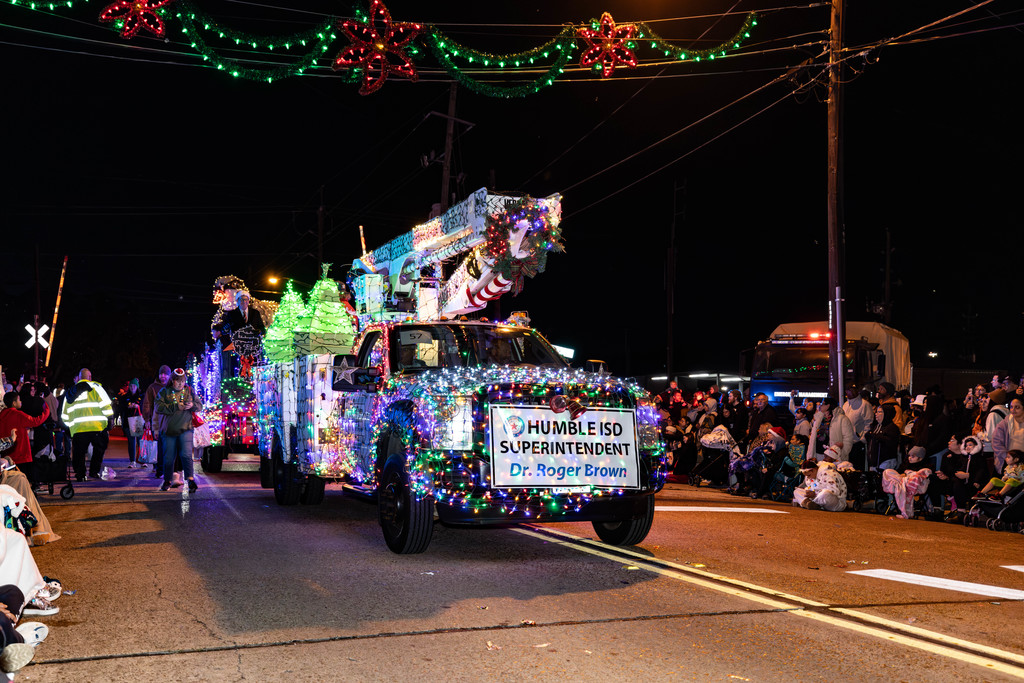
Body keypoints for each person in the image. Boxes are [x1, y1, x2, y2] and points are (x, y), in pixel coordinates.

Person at [60, 368, 114, 482]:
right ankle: (94, 471)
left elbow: (64, 413)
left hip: (78, 428)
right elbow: (106, 405)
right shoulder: (97, 388)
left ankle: (80, 474)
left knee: (79, 453)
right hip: (97, 427)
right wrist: (110, 419)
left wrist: (68, 426)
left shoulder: (71, 391)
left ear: (79, 378)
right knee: (99, 450)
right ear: (90, 377)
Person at [155, 368, 202, 492]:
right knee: (169, 457)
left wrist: (192, 405)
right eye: (178, 380)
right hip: (168, 431)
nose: (180, 383)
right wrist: (175, 406)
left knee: (186, 455)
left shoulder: (190, 391)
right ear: (172, 380)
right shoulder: (164, 391)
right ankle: (167, 480)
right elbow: (158, 407)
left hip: (186, 429)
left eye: (182, 381)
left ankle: (190, 480)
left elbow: (199, 405)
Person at [0, 393, 50, 488]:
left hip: (6, 455)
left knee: (10, 482)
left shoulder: (2, 415)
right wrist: (47, 410)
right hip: (21, 453)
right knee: (23, 481)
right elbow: (35, 421)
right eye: (19, 400)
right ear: (14, 403)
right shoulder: (18, 414)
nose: (21, 401)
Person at [881, 446, 933, 518]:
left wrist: (909, 475)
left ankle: (905, 504)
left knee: (915, 477)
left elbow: (921, 476)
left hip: (914, 486)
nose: (909, 458)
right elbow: (898, 473)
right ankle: (900, 487)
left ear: (920, 458)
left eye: (913, 456)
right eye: (909, 456)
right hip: (902, 483)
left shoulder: (925, 467)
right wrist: (903, 475)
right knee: (887, 471)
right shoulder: (905, 464)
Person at [143, 366, 172, 480]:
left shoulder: (173, 386)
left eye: (165, 374)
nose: (163, 376)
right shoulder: (152, 387)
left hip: (171, 422)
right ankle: (159, 470)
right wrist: (147, 420)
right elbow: (147, 404)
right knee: (159, 446)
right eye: (161, 374)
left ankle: (170, 470)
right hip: (157, 421)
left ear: (169, 375)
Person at [808, 396, 856, 463]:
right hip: (818, 454)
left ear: (828, 405)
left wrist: (841, 454)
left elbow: (848, 439)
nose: (820, 405)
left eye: (822, 404)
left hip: (833, 457)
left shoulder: (842, 419)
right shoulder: (819, 419)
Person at [990, 396, 1024, 476]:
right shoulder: (1005, 423)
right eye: (1011, 407)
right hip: (1008, 461)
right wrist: (1006, 457)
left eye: (1017, 407)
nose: (1013, 410)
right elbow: (996, 442)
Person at [864, 403, 900, 471]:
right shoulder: (876, 426)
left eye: (880, 412)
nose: (876, 414)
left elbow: (891, 442)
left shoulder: (892, 428)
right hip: (874, 463)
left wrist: (876, 436)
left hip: (885, 462)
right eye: (876, 412)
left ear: (887, 414)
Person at [118, 379, 144, 468]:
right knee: (131, 441)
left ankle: (142, 460)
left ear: (137, 387)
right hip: (128, 421)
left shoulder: (141, 396)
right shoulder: (125, 397)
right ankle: (132, 461)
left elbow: (144, 406)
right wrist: (127, 406)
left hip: (138, 420)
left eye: (134, 386)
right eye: (131, 386)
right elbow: (121, 407)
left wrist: (138, 406)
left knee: (140, 441)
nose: (132, 387)